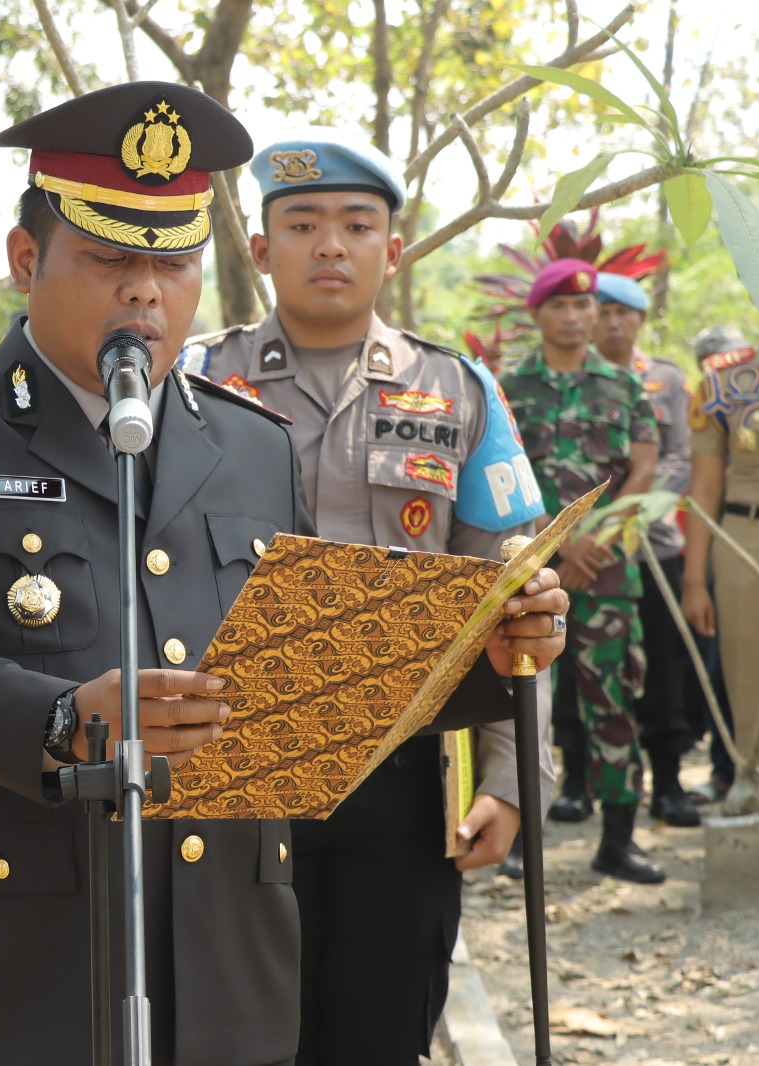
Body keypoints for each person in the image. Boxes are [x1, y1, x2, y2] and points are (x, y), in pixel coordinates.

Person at [0, 82, 570, 1066]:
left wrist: (492, 651)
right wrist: (60, 720)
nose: (145, 291)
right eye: (108, 259)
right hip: (23, 949)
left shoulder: (252, 444)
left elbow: (313, 678)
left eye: (171, 262)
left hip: (230, 956)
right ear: (23, 259)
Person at [177, 127, 553, 1066]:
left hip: (404, 779)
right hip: (234, 783)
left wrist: (509, 783)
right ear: (261, 251)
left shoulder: (461, 393)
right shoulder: (190, 385)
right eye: (302, 224)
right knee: (235, 1039)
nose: (331, 245)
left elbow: (514, 611)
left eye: (356, 224)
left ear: (395, 247)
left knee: (380, 1034)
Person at [502, 260, 664, 883]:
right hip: (533, 571)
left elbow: (643, 468)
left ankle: (619, 839)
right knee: (525, 699)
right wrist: (555, 546)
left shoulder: (625, 389)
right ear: (538, 314)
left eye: (584, 307)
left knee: (614, 697)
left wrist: (593, 541)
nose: (574, 317)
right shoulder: (510, 390)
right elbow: (504, 476)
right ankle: (520, 833)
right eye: (560, 307)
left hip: (607, 572)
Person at [682, 250, 759, 900]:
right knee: (753, 693)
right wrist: (695, 580)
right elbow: (705, 489)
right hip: (747, 542)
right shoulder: (722, 382)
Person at [591, 272, 701, 826]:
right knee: (584, 670)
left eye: (623, 313)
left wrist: (641, 505)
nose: (613, 323)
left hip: (654, 547)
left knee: (661, 668)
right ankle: (578, 786)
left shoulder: (667, 380)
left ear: (639, 319)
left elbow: (681, 456)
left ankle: (669, 784)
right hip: (590, 551)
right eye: (603, 312)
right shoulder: (575, 379)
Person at [685, 324, 747, 805]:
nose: (714, 363)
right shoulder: (709, 401)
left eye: (719, 355)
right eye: (706, 356)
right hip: (723, 550)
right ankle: (726, 771)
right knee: (723, 667)